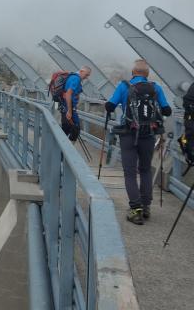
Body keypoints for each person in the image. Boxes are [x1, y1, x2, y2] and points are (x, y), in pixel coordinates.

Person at [105, 59, 172, 225]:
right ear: (147, 75)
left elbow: (110, 106)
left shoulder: (124, 86)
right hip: (148, 135)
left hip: (128, 134)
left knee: (130, 172)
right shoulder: (155, 88)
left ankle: (135, 209)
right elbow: (167, 110)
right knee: (145, 170)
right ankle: (146, 206)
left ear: (133, 73)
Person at [60, 66, 92, 142]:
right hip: (69, 108)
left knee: (66, 130)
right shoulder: (76, 79)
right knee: (75, 129)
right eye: (86, 75)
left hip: (65, 107)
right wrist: (70, 111)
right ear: (81, 71)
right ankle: (66, 151)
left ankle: (61, 150)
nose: (86, 77)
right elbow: (68, 94)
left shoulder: (73, 77)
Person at [179, 82, 194, 168]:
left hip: (189, 118)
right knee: (188, 140)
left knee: (188, 139)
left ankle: (189, 154)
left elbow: (186, 101)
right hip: (190, 119)